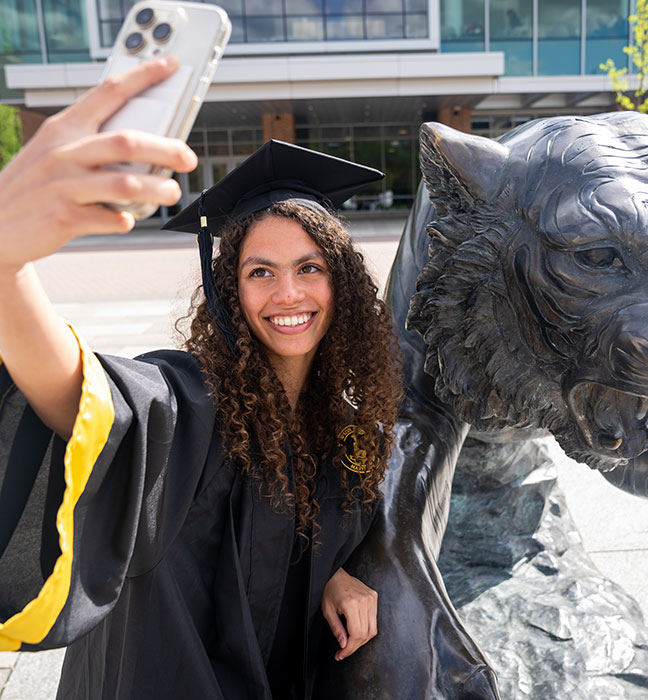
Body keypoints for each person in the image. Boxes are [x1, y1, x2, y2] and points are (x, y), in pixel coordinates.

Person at [0, 56, 402, 700]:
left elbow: (322, 539)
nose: (288, 293)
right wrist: (6, 266)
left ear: (344, 282)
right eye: (260, 272)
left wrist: (336, 573)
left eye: (310, 267)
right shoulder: (190, 401)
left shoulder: (348, 423)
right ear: (228, 292)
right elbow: (82, 401)